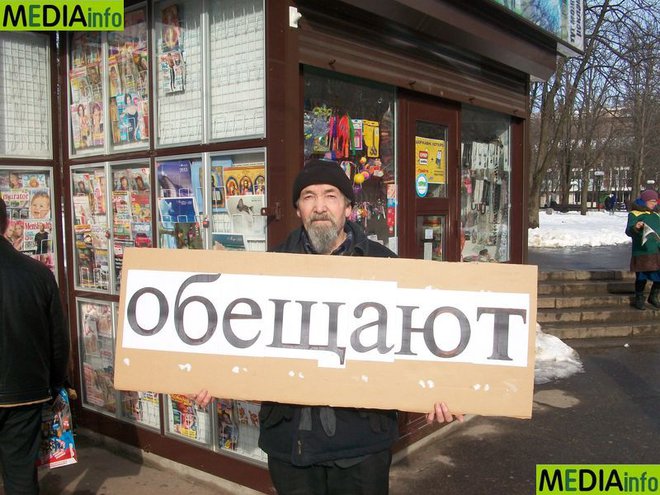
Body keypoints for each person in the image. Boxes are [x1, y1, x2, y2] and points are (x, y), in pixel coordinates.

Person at [194, 159, 463, 495]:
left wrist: (442, 389)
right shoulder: (268, 269)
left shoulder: (385, 265)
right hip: (291, 443)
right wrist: (208, 374)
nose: (319, 206)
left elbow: (416, 336)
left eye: (330, 195)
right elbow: (236, 333)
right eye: (308, 196)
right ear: (298, 209)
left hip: (360, 446)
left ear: (348, 208)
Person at [0, 198, 70, 494]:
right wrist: (54, 384)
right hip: (24, 392)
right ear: (6, 223)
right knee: (21, 475)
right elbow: (58, 340)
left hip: (23, 392)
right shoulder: (38, 274)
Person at [625, 189, 659, 310]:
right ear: (645, 201)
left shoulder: (656, 215)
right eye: (652, 201)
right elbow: (629, 231)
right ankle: (639, 298)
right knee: (641, 276)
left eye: (655, 201)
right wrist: (636, 226)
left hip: (657, 251)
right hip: (642, 251)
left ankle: (653, 297)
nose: (654, 203)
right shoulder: (635, 214)